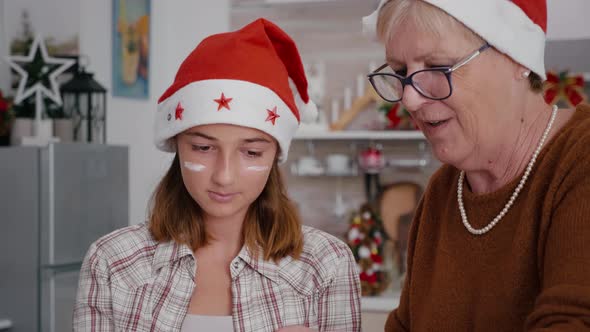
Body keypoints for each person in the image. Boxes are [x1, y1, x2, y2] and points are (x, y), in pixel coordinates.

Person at [73, 18, 361, 332]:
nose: (224, 176)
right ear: (177, 145)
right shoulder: (112, 262)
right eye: (202, 148)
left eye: (251, 152)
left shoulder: (326, 265)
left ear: (275, 155)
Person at [362, 0, 590, 331]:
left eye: (438, 67)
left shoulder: (579, 161)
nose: (410, 99)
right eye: (400, 73)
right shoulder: (444, 191)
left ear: (516, 57)